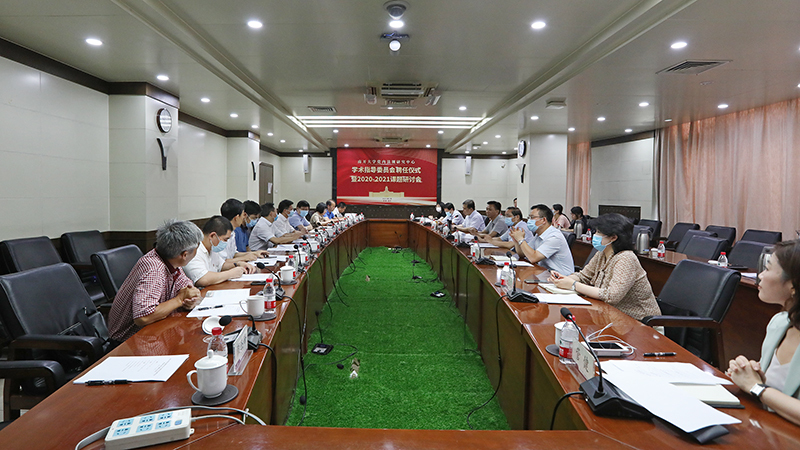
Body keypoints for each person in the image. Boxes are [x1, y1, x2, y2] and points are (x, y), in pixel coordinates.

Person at [726, 240, 800, 426]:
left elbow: (760, 389)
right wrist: (749, 374)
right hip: (769, 427)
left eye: (767, 269)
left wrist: (756, 387)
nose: (760, 275)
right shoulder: (779, 323)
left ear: (793, 285)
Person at [547, 213, 661, 321]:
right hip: (611, 315)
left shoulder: (626, 258)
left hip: (640, 323)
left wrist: (573, 285)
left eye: (599, 232)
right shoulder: (602, 253)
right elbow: (583, 276)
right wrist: (564, 279)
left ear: (613, 238)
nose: (594, 235)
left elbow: (611, 296)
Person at [108, 219, 203, 343]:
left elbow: (186, 287)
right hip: (129, 341)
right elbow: (143, 317)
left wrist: (190, 299)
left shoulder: (170, 259)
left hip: (156, 331)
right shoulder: (154, 269)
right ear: (184, 255)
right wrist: (179, 300)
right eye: (196, 248)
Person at [184, 216, 257, 287]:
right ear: (212, 236)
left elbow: (221, 265)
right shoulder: (194, 251)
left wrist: (238, 264)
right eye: (225, 239)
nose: (226, 243)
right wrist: (230, 274)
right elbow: (202, 279)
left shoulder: (212, 248)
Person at [510, 204, 574, 275]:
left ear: (543, 220)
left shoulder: (554, 236)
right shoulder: (539, 234)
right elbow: (522, 254)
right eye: (529, 217)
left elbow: (533, 258)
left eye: (532, 217)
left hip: (561, 277)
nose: (529, 220)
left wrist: (521, 239)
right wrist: (516, 240)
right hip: (545, 273)